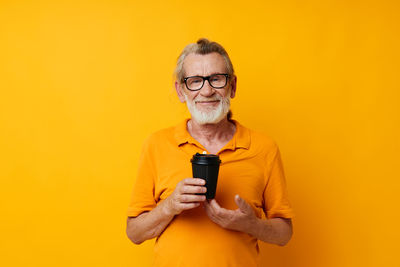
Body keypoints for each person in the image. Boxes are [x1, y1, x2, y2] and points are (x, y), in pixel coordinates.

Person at [126, 38, 294, 267]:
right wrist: (170, 205)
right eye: (195, 81)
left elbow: (284, 233)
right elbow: (135, 233)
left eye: (216, 79)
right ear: (181, 91)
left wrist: (251, 224)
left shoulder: (264, 148)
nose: (207, 91)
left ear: (232, 86)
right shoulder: (156, 144)